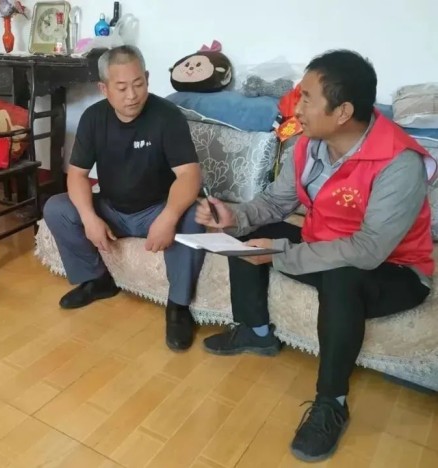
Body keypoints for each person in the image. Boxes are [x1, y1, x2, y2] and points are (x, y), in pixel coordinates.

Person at [195, 49, 434, 462]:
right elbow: (275, 203)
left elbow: (368, 249)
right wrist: (235, 217)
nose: (296, 107)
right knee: (250, 233)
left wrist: (281, 254)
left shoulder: (399, 163)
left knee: (343, 275)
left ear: (342, 112)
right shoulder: (307, 144)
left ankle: (331, 403)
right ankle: (255, 331)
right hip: (323, 244)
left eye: (307, 98)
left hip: (393, 269)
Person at [42, 45, 206, 351]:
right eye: (121, 88)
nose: (132, 95)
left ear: (147, 78)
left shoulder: (167, 116)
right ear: (104, 89)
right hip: (112, 209)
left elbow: (189, 174)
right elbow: (76, 175)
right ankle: (98, 281)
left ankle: (178, 307)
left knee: (194, 215)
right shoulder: (94, 118)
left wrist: (169, 217)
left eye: (138, 84)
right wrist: (89, 218)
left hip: (156, 209)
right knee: (57, 208)